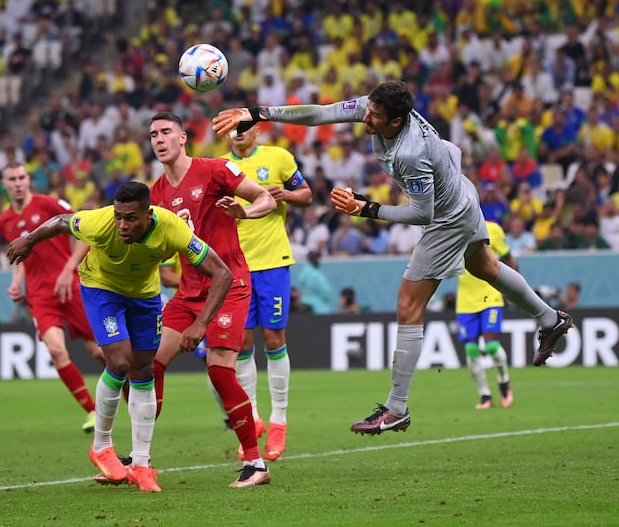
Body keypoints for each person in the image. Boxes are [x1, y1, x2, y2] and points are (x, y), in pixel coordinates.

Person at [213, 81, 573, 436]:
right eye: (368, 109)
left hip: (446, 218)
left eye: (375, 115)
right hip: (462, 192)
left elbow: (422, 215)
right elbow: (322, 114)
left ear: (396, 122)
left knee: (408, 306)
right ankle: (549, 317)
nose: (366, 117)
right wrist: (258, 113)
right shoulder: (380, 111)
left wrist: (366, 208)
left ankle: (396, 408)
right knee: (486, 267)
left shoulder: (410, 153)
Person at [6, 181, 233, 492]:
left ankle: (141, 465)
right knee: (121, 361)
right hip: (102, 289)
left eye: (130, 218)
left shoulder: (171, 227)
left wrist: (201, 324)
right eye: (119, 216)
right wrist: (29, 240)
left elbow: (222, 272)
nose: (122, 225)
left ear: (148, 214)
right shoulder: (100, 222)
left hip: (145, 296)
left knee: (144, 370)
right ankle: (102, 446)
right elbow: (61, 222)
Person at [148, 111, 278, 488]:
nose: (159, 139)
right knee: (148, 367)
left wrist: (245, 212)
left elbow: (266, 199)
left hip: (230, 285)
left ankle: (256, 464)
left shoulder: (215, 169)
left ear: (183, 137)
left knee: (220, 370)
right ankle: (140, 456)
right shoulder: (156, 193)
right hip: (187, 291)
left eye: (166, 132)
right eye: (154, 134)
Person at [221, 123, 313, 462]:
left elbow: (306, 195)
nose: (239, 133)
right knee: (242, 344)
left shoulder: (279, 158)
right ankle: (255, 417)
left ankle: (279, 422)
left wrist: (286, 195)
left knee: (274, 340)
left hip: (273, 262)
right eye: (233, 129)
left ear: (257, 130)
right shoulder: (222, 169)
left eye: (245, 127)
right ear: (225, 135)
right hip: (236, 267)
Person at [0, 163, 105, 433]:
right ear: (4, 184)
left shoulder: (50, 204)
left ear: (29, 180)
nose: (18, 183)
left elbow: (84, 233)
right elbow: (21, 254)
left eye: (22, 177)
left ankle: (131, 396)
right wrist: (16, 281)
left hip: (70, 286)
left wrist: (69, 269)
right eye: (12, 179)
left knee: (101, 352)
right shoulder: (3, 221)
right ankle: (93, 411)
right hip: (40, 294)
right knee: (56, 351)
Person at [456, 221, 515, 410]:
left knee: (491, 345)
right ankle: (485, 395)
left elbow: (509, 257)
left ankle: (504, 383)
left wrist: (513, 289)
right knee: (472, 351)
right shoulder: (452, 226)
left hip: (490, 295)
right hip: (465, 301)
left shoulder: (494, 229)